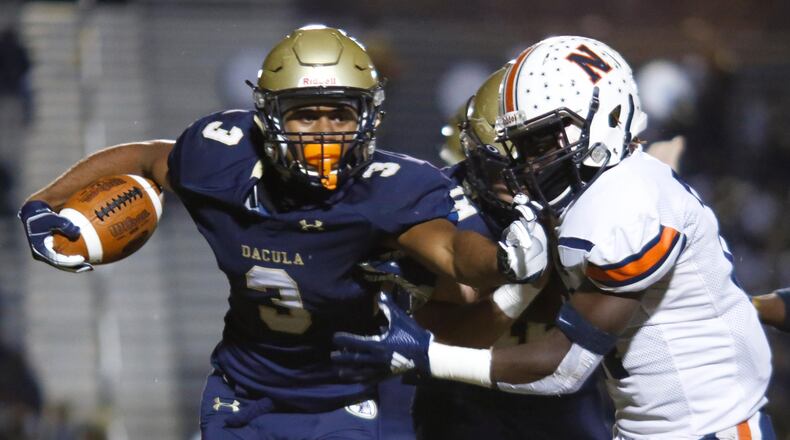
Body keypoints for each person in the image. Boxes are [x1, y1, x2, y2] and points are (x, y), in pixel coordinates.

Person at [17, 26, 546, 439]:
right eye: (305, 115)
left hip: (348, 399)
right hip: (244, 392)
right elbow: (145, 158)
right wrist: (43, 202)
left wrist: (506, 260)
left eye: (339, 114)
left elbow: (458, 257)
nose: (323, 132)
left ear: (368, 116)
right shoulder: (218, 159)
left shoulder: (388, 189)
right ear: (269, 117)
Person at [333, 36, 775, 439]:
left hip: (705, 429)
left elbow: (563, 369)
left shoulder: (624, 203)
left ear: (609, 113)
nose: (528, 163)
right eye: (523, 146)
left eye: (543, 140)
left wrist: (430, 356)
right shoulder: (608, 190)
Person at [369, 66, 613, 440]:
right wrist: (521, 287)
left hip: (564, 399)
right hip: (464, 401)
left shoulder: (597, 202)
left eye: (529, 162)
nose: (517, 184)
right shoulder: (448, 213)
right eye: (501, 168)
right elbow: (433, 338)